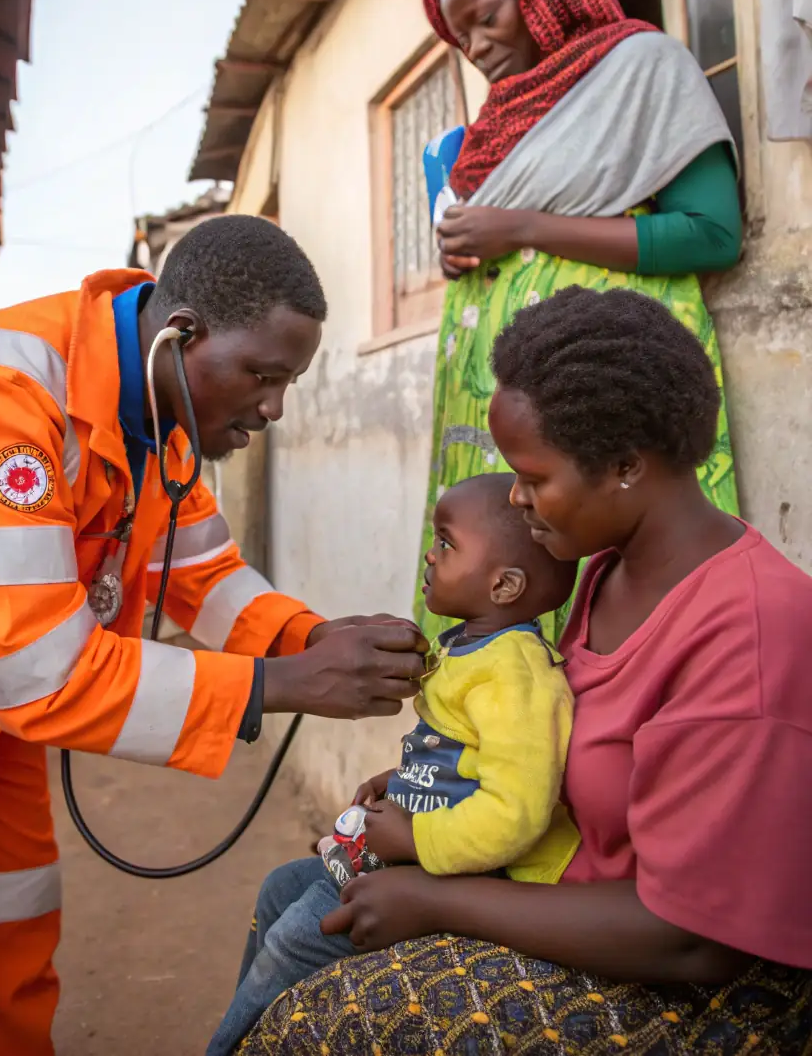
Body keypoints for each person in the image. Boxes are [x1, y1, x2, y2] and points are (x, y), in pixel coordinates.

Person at [0, 215, 427, 1056]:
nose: (273, 406)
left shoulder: (155, 410)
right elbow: (38, 671)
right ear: (181, 334)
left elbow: (204, 573)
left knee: (11, 937)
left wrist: (312, 640)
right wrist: (286, 686)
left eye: (289, 381)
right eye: (263, 375)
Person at [235, 286, 812, 1056]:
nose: (515, 497)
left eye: (534, 478)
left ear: (625, 466)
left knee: (324, 1013)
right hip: (563, 894)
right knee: (287, 893)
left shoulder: (750, 632)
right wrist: (430, 785)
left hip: (698, 986)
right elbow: (539, 754)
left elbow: (693, 940)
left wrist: (442, 901)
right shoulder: (602, 569)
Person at [417, 0, 743, 645]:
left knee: (627, 617)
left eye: (487, 16)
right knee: (502, 590)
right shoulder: (484, 133)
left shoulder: (642, 73)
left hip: (597, 400)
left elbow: (711, 233)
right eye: (460, 36)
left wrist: (522, 226)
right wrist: (469, 254)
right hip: (496, 397)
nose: (478, 46)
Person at [207, 473, 579, 1056]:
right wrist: (400, 781)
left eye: (448, 543)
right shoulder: (471, 646)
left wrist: (413, 835)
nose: (431, 553)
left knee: (292, 944)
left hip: (466, 875)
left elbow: (515, 813)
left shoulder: (516, 675)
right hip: (427, 854)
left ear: (504, 585)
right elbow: (462, 756)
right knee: (281, 889)